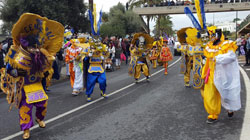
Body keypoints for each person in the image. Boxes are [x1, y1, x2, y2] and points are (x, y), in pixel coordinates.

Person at [0, 13, 64, 139]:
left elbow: (47, 69)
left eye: (37, 47)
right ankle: (26, 129)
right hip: (24, 86)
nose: (35, 49)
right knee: (25, 108)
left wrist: (46, 73)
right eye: (32, 47)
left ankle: (39, 118)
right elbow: (9, 70)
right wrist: (20, 73)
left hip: (37, 85)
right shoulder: (16, 53)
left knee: (43, 104)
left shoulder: (41, 54)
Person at [202, 26, 241, 124]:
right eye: (209, 35)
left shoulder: (227, 44)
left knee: (226, 94)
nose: (210, 37)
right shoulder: (209, 46)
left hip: (224, 75)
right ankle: (213, 114)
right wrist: (204, 73)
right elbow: (208, 60)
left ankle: (230, 108)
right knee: (210, 94)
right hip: (211, 74)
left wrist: (218, 59)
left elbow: (231, 57)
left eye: (212, 35)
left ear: (218, 34)